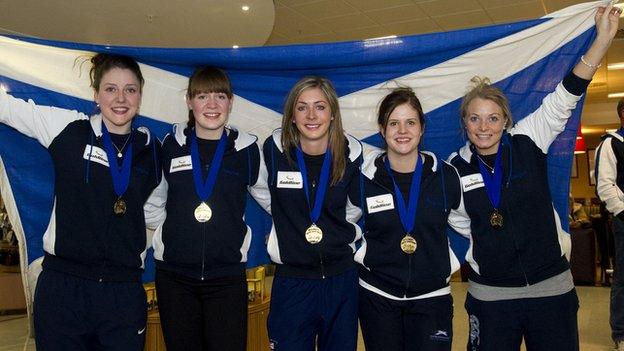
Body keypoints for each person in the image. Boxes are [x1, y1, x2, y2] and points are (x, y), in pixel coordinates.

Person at [447, 4, 620, 350]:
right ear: (464, 123)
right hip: (490, 296)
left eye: (493, 118)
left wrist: (602, 40)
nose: (484, 127)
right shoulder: (454, 167)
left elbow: (566, 95)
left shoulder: (528, 139)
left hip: (551, 290)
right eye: (475, 118)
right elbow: (460, 220)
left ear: (506, 121)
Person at [0, 53, 163, 350]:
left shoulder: (151, 150)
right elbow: (7, 108)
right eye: (110, 88)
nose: (120, 98)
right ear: (96, 94)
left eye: (130, 89)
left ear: (140, 95)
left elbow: (155, 213)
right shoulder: (68, 128)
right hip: (63, 288)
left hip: (122, 293)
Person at [147, 66, 270, 351]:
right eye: (202, 96)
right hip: (174, 278)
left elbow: (272, 199)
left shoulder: (247, 151)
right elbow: (154, 201)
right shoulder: (171, 146)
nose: (212, 105)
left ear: (231, 101)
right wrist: (172, 235)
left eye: (220, 96)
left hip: (227, 279)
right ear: (189, 102)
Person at [354, 87, 467, 351]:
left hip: (432, 298)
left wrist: (446, 263)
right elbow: (346, 224)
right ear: (382, 130)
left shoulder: (446, 176)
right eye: (394, 123)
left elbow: (468, 226)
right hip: (377, 297)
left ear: (422, 128)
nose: (402, 131)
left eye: (410, 122)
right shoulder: (363, 178)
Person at [262, 76, 363, 350]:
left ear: (332, 114)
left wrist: (333, 231)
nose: (311, 115)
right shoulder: (274, 151)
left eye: (320, 106)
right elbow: (262, 190)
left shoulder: (353, 154)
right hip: (292, 282)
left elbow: (353, 209)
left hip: (340, 280)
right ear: (292, 116)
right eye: (302, 107)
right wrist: (288, 217)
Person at [595, 96, 624, 351]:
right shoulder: (611, 144)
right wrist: (621, 212)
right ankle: (620, 332)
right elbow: (605, 184)